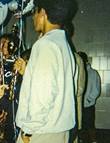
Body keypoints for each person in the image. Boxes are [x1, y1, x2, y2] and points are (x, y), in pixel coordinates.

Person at [15, 0, 78, 143]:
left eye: (34, 13)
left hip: (41, 132)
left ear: (42, 12)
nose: (33, 18)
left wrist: (28, 130)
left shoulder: (46, 45)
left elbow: (43, 95)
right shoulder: (63, 45)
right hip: (56, 130)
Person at [79, 52, 100, 143]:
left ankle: (94, 141)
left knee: (90, 126)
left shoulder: (93, 73)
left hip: (88, 106)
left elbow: (96, 90)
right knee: (81, 127)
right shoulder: (79, 72)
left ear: (85, 60)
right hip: (79, 106)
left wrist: (88, 100)